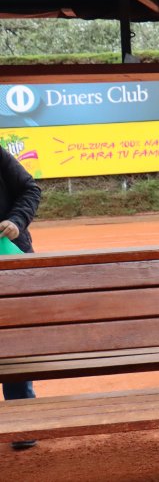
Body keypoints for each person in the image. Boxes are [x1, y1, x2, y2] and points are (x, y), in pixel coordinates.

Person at [1, 146, 42, 451]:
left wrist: (16, 221)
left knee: (12, 341)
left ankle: (22, 422)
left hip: (9, 255)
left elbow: (30, 189)